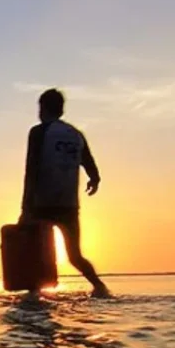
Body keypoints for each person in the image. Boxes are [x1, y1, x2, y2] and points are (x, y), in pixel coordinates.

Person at [20, 88, 111, 298]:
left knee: (31, 249)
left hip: (42, 204)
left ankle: (34, 295)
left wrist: (25, 209)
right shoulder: (75, 134)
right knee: (75, 255)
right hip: (69, 205)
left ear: (43, 108)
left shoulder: (38, 132)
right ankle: (100, 288)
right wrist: (94, 181)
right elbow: (90, 165)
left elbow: (31, 170)